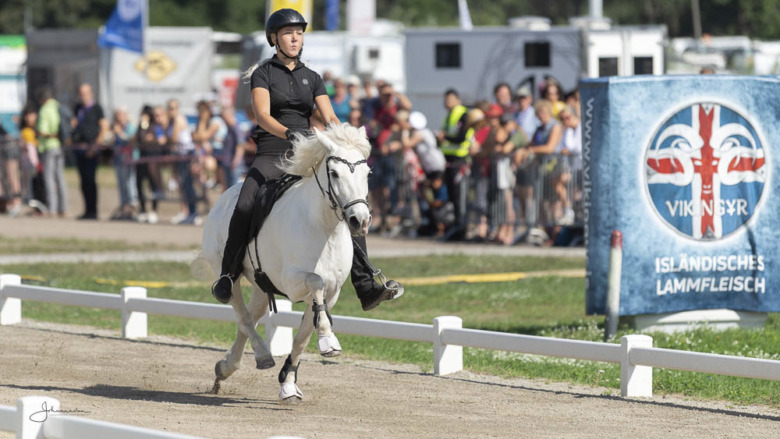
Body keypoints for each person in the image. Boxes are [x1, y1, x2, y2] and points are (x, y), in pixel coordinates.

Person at [211, 8, 403, 312]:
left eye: (299, 34)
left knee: (346, 201)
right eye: (288, 33)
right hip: (272, 151)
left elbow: (329, 117)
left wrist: (345, 138)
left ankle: (367, 285)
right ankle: (227, 274)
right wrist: (288, 133)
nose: (294, 39)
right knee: (246, 202)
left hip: (307, 152)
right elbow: (262, 115)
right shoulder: (263, 73)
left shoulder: (312, 77)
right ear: (274, 39)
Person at [436, 88, 470, 238]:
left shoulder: (463, 114)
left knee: (459, 196)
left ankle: (462, 228)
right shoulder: (449, 116)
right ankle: (455, 226)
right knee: (452, 196)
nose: (447, 103)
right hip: (449, 160)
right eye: (446, 100)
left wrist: (445, 138)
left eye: (450, 99)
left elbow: (461, 137)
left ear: (458, 100)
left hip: (459, 160)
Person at [72, 83, 109, 220]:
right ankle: (87, 210)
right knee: (83, 181)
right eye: (81, 94)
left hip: (91, 148)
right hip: (79, 148)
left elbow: (104, 127)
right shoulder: (78, 108)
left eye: (85, 93)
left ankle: (93, 211)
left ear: (91, 93)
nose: (83, 96)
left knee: (90, 180)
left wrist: (95, 146)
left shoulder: (97, 108)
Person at [166, 98, 200, 225]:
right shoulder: (173, 120)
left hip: (186, 155)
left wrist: (167, 140)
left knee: (188, 184)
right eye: (170, 108)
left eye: (174, 108)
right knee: (185, 185)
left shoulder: (178, 119)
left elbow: (174, 138)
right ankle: (190, 212)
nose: (171, 111)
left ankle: (194, 213)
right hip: (182, 155)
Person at [36, 87, 68, 217]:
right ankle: (63, 208)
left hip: (49, 146)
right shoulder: (59, 107)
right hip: (60, 145)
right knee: (60, 177)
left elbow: (43, 131)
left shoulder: (45, 110)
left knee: (49, 178)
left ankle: (52, 208)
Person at [135, 105, 163, 224]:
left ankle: (153, 210)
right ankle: (142, 209)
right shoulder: (141, 126)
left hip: (153, 160)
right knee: (139, 184)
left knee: (153, 185)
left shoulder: (156, 126)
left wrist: (152, 139)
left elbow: (161, 140)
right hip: (142, 159)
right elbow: (139, 138)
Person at [110, 106, 138, 220]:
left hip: (129, 159)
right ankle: (124, 207)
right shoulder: (115, 127)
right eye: (117, 115)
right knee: (121, 184)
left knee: (130, 183)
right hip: (118, 160)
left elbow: (130, 140)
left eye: (121, 114)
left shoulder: (131, 127)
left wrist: (120, 133)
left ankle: (132, 207)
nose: (119, 117)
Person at [18, 106, 39, 207]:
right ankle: (29, 200)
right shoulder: (25, 131)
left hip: (32, 162)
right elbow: (30, 149)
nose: (29, 118)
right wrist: (35, 162)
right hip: (28, 162)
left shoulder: (35, 129)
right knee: (28, 183)